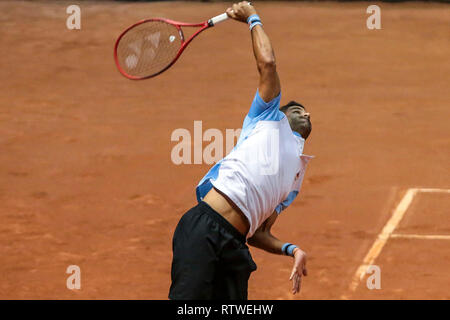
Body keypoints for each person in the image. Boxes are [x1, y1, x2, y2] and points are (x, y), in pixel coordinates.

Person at [169, 1, 313, 300]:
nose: (306, 112)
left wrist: (292, 249)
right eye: (297, 108)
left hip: (235, 244)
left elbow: (258, 233)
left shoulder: (296, 178)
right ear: (282, 113)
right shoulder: (267, 117)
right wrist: (252, 18)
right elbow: (268, 64)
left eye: (307, 111)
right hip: (205, 228)